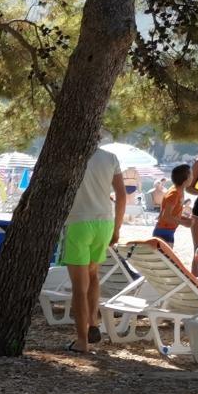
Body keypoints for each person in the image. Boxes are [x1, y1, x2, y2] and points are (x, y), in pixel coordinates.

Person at [59, 142, 126, 353]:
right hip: (104, 223)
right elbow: (122, 196)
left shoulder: (69, 155)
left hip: (79, 223)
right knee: (93, 274)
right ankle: (93, 324)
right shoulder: (110, 157)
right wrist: (117, 228)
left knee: (79, 287)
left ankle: (82, 341)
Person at [152, 163, 190, 247]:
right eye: (192, 176)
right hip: (163, 231)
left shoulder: (179, 191)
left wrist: (185, 219)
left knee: (166, 258)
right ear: (186, 180)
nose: (193, 178)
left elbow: (173, 214)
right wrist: (184, 223)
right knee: (164, 258)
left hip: (168, 230)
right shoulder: (174, 194)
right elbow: (166, 216)